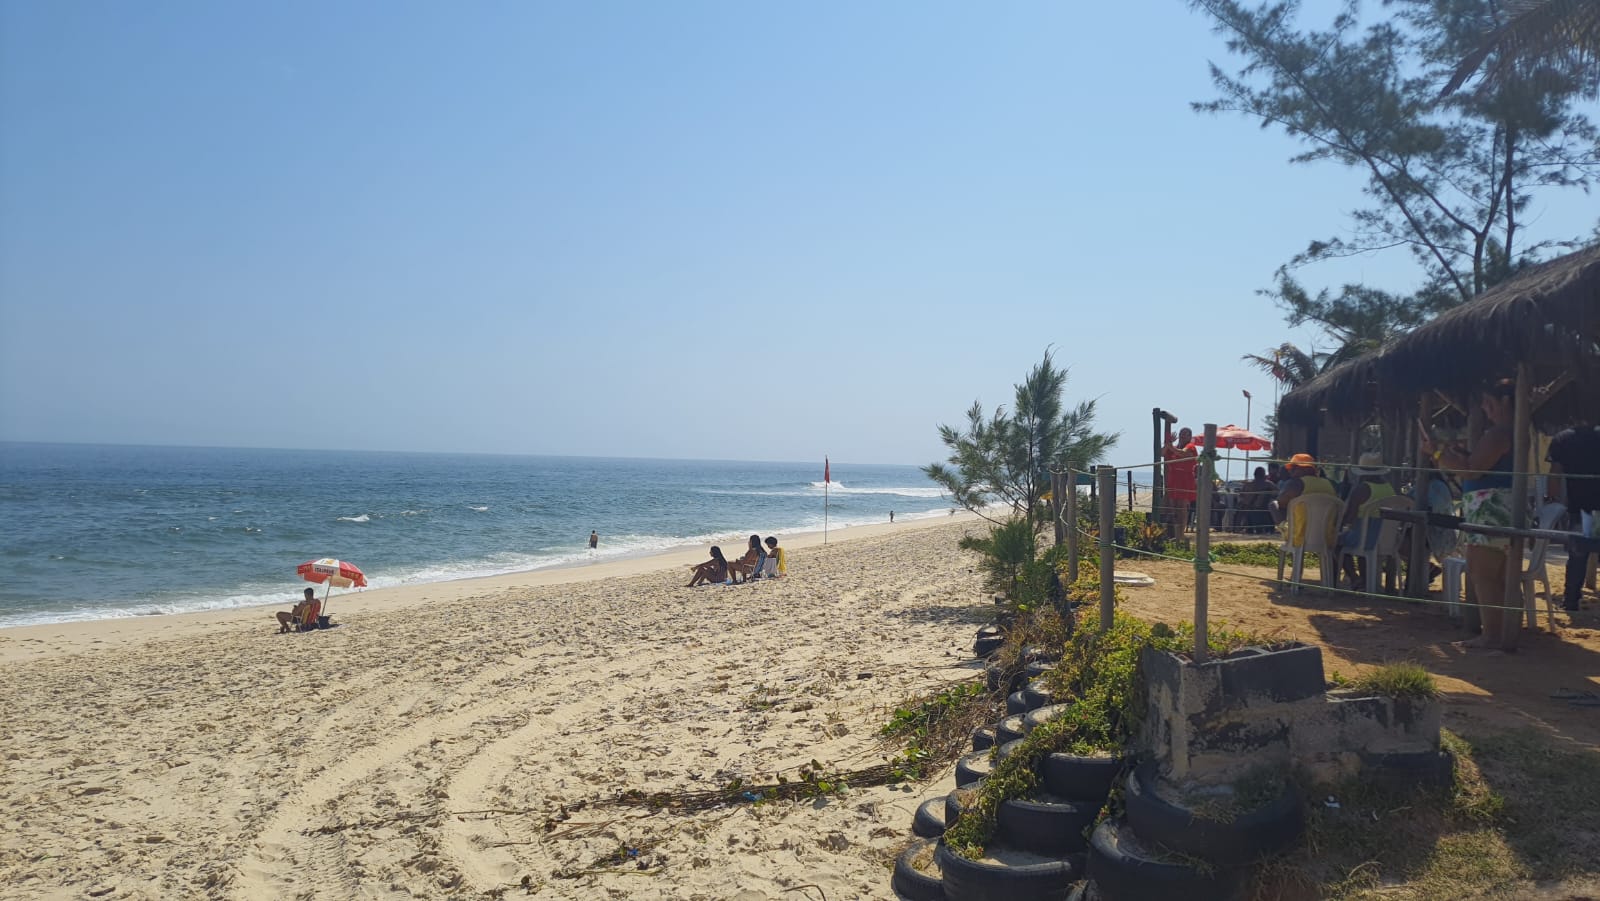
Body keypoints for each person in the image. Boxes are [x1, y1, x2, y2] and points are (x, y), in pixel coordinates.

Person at [1422, 379, 1518, 652]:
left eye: (1489, 403)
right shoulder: (1511, 433)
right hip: (1495, 506)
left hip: (1491, 508)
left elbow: (1472, 470)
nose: (1486, 409)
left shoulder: (1499, 433)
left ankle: (1492, 636)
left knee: (1483, 573)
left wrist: (1438, 452)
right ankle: (1498, 634)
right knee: (1494, 575)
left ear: (1506, 402)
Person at [1547, 420, 1600, 612]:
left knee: (1578, 555)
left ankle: (1571, 601)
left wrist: (1549, 501)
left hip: (1581, 506)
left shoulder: (1563, 438)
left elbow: (1554, 474)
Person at [1337, 453, 1397, 589]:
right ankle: (1365, 580)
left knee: (1336, 544)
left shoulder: (1362, 489)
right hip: (1386, 539)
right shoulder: (1389, 488)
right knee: (1360, 544)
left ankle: (1353, 578)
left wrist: (1338, 526)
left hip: (1366, 538)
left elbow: (1349, 518)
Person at [1162, 426, 1198, 535]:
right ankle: (1172, 531)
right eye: (1181, 433)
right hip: (1173, 479)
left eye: (1185, 434)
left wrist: (1170, 446)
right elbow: (1162, 453)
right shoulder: (1174, 446)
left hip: (1185, 479)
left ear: (1190, 437)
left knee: (1181, 506)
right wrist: (1167, 444)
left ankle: (1181, 533)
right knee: (1171, 505)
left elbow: (1183, 453)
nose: (1182, 436)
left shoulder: (1191, 447)